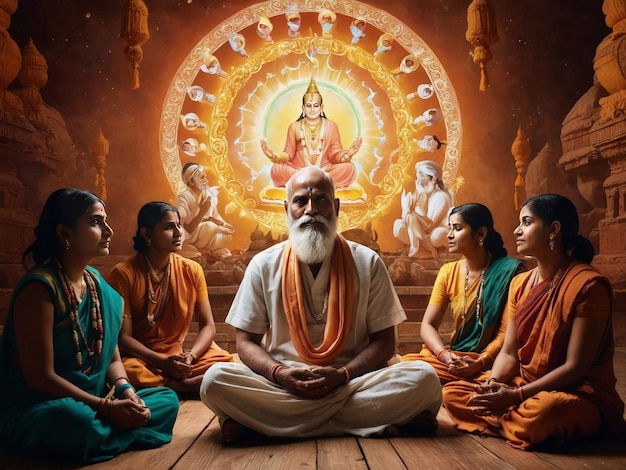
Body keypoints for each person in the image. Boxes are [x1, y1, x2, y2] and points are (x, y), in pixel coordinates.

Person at [199, 166, 442, 444]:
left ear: (335, 206)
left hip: (351, 382)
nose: (311, 209)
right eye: (301, 200)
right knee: (215, 380)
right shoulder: (263, 264)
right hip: (282, 384)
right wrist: (280, 373)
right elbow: (244, 342)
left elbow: (386, 342)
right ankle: (357, 422)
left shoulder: (367, 262)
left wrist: (342, 374)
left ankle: (271, 425)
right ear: (287, 208)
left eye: (321, 200)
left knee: (424, 378)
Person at [0, 189, 179, 464]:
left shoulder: (96, 284)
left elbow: (112, 359)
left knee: (166, 400)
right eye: (96, 222)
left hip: (95, 402)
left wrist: (127, 393)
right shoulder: (41, 288)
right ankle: (109, 431)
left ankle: (103, 434)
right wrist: (107, 408)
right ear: (65, 233)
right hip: (41, 404)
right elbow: (40, 378)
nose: (108, 230)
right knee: (74, 420)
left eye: (105, 221)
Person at [442, 194, 626, 450]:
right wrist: (493, 384)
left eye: (526, 222)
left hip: (575, 391)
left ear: (553, 230)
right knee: (453, 394)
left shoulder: (587, 286)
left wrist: (515, 396)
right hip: (524, 384)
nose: (517, 230)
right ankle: (515, 424)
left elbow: (576, 366)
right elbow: (509, 351)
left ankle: (508, 423)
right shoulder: (520, 283)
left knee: (544, 412)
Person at [107, 202, 233, 396]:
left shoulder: (191, 270)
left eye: (178, 225)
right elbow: (124, 339)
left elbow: (208, 325)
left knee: (224, 360)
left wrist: (191, 356)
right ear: (147, 234)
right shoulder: (124, 274)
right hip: (143, 359)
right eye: (168, 227)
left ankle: (175, 381)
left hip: (178, 357)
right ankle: (183, 386)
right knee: (131, 371)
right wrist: (161, 362)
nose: (178, 232)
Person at [400, 203, 524, 383]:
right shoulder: (448, 272)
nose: (449, 235)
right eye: (449, 228)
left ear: (480, 234)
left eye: (457, 228)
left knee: (505, 380)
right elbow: (428, 324)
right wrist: (444, 355)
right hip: (456, 357)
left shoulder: (511, 272)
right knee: (408, 366)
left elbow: (506, 333)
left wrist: (481, 362)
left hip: (493, 360)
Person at [260, 77, 362, 189]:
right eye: (308, 106)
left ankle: (304, 182)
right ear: (303, 108)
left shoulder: (331, 126)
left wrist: (348, 155)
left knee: (349, 168)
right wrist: (274, 156)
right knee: (276, 170)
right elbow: (289, 154)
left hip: (324, 169)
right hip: (299, 170)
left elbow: (335, 154)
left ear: (321, 107)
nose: (312, 110)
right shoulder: (294, 127)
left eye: (316, 105)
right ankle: (319, 183)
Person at [393, 160, 453, 258]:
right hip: (424, 235)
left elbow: (430, 228)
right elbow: (408, 218)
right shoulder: (423, 195)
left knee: (437, 235)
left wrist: (412, 212)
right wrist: (407, 210)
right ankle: (420, 249)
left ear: (433, 179)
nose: (418, 181)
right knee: (398, 224)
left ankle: (424, 250)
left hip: (436, 234)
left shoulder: (441, 196)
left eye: (421, 176)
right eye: (417, 177)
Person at [174, 162, 235, 259]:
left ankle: (204, 249)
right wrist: (202, 211)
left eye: (205, 177)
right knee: (210, 227)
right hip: (188, 237)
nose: (206, 180)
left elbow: (215, 215)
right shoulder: (183, 197)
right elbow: (181, 226)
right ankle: (195, 249)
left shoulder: (209, 195)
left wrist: (224, 225)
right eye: (202, 178)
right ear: (192, 182)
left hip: (205, 235)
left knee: (227, 236)